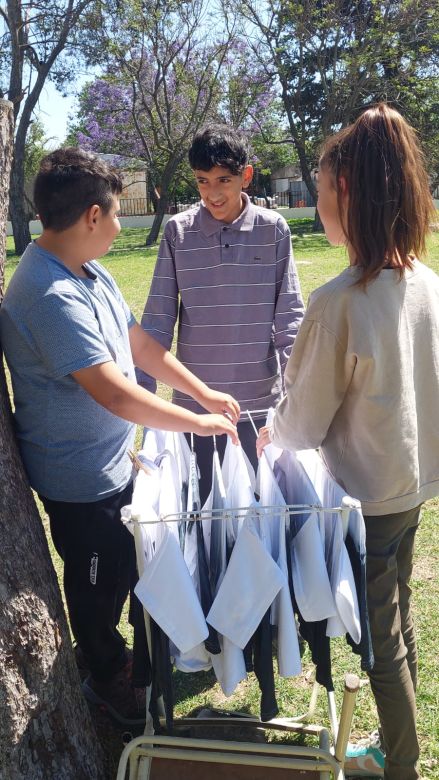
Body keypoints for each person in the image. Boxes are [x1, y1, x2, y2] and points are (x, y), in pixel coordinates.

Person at [0, 147, 240, 726]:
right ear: (90, 215)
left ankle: (124, 659)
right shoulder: (47, 294)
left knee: (133, 570)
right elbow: (113, 392)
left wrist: (202, 393)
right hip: (80, 483)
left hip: (117, 466)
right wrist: (198, 422)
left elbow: (139, 348)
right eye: (112, 213)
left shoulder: (89, 269)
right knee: (97, 584)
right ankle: (105, 674)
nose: (116, 225)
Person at [256, 103, 439, 780]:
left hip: (363, 496)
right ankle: (400, 750)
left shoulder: (339, 300)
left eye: (321, 185)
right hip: (412, 480)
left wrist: (270, 429)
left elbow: (301, 423)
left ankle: (400, 767)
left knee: (380, 644)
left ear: (345, 194)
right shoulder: (424, 281)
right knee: (398, 624)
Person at [137, 124, 304, 501]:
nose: (212, 193)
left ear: (245, 175)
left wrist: (299, 398)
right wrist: (143, 404)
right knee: (203, 515)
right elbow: (159, 321)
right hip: (195, 413)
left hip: (260, 405)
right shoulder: (177, 232)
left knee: (262, 515)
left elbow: (290, 318)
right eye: (202, 181)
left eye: (223, 180)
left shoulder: (273, 229)